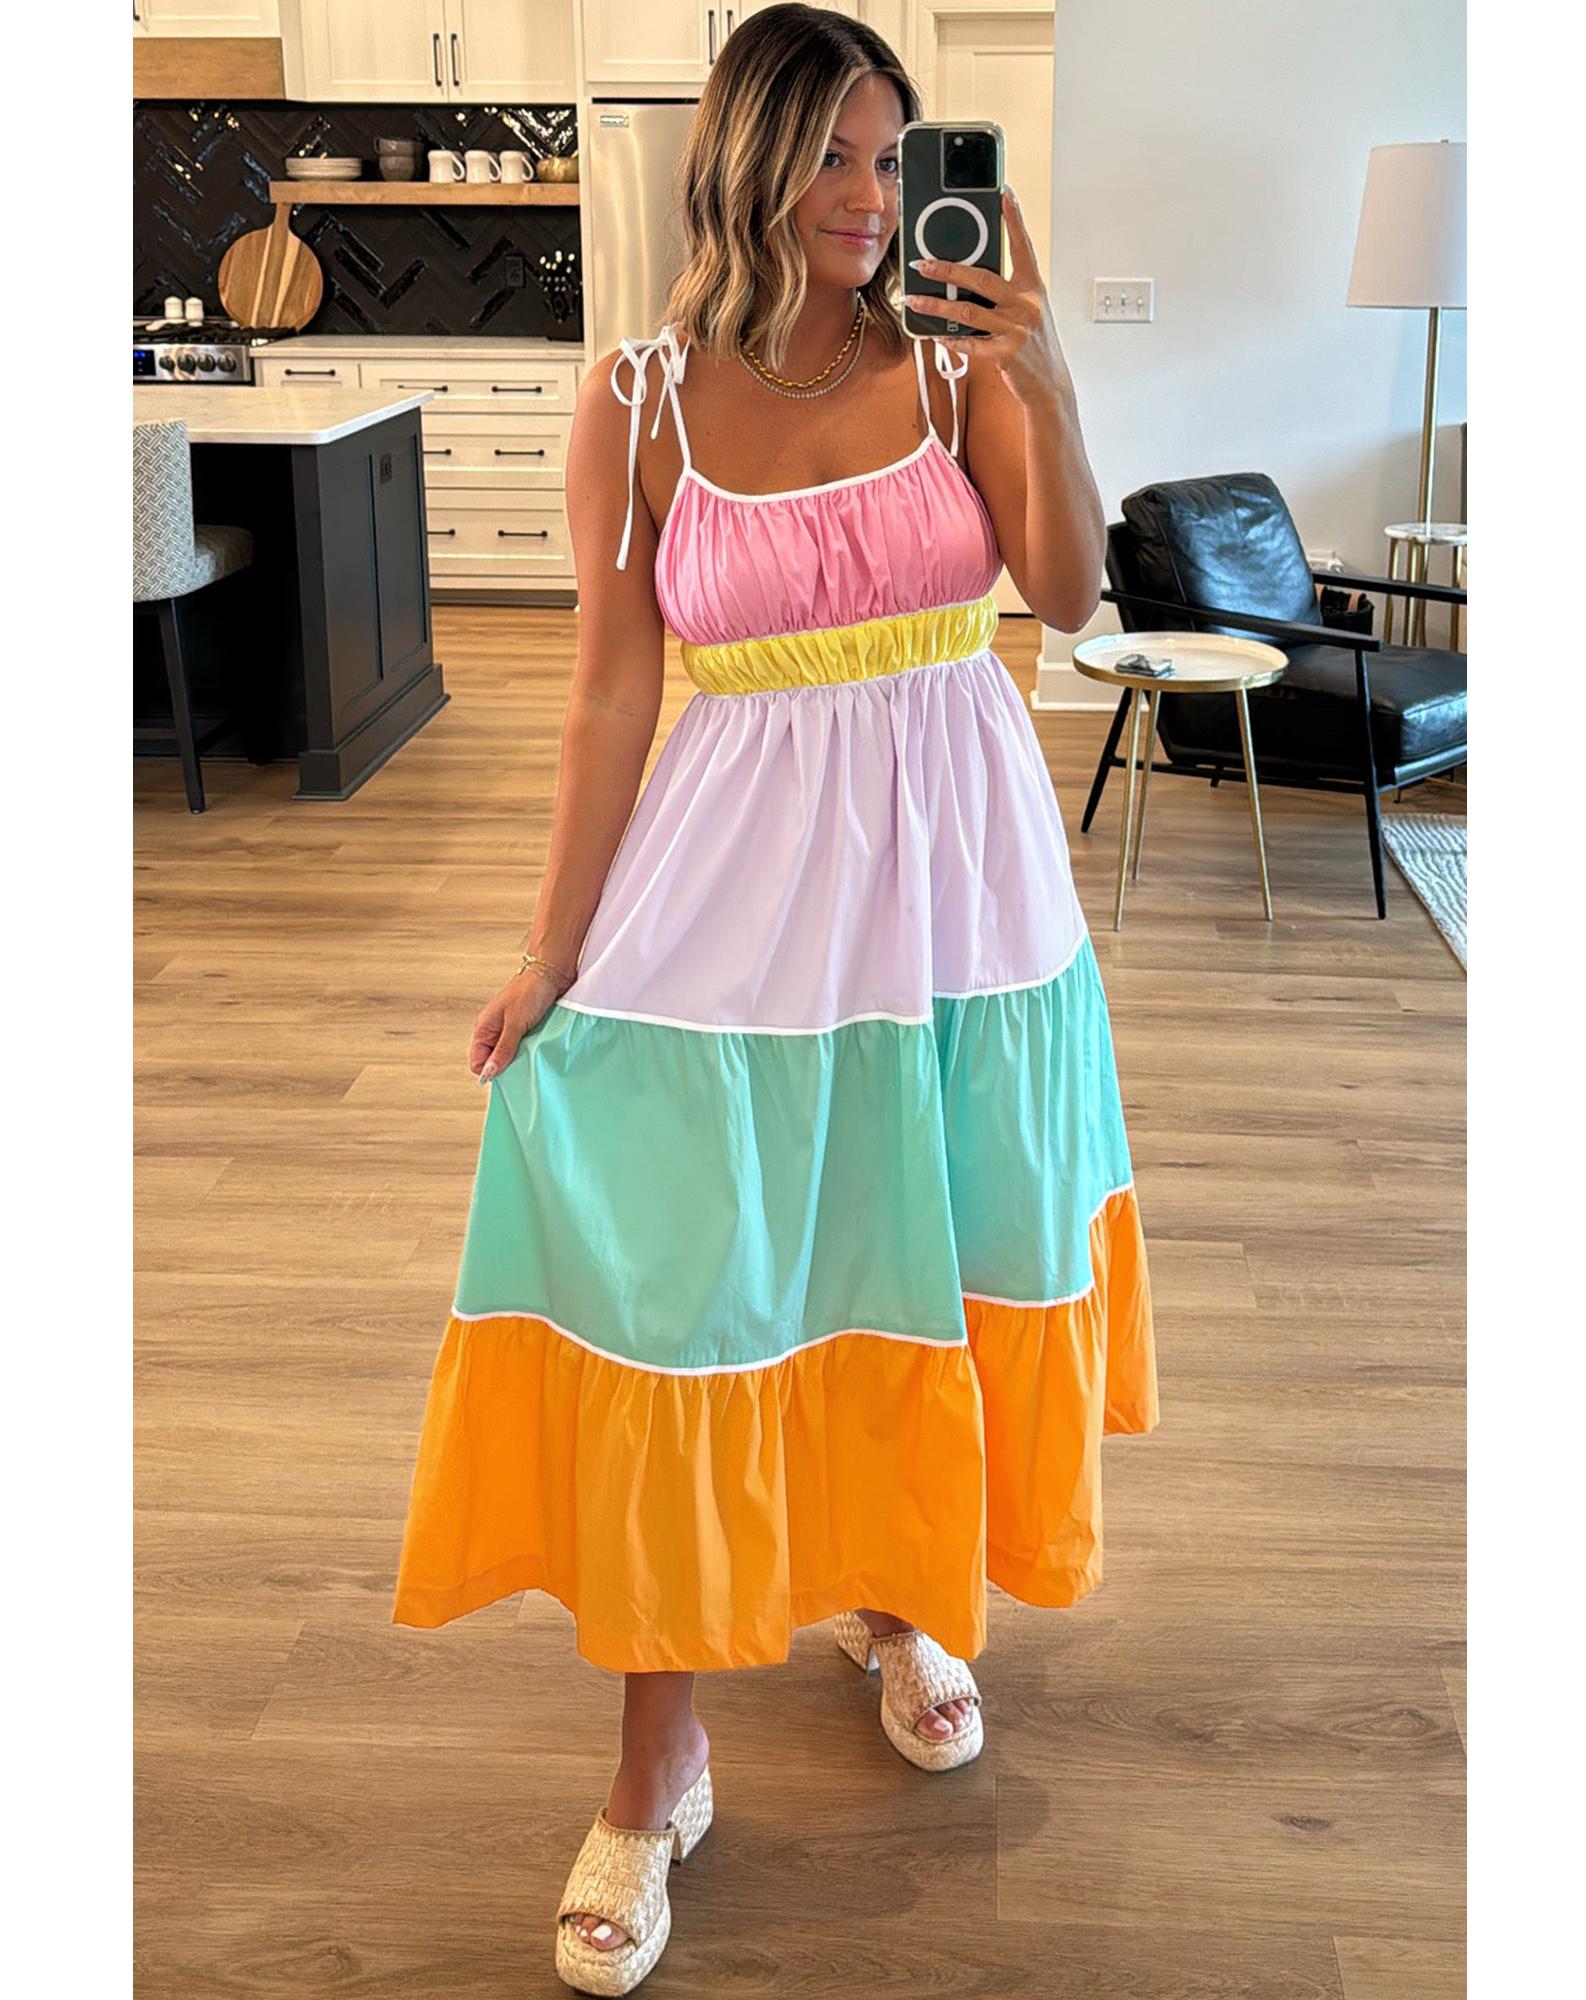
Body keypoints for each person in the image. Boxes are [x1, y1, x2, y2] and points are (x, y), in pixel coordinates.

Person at [390, 6, 1158, 1991]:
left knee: (927, 1252)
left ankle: (903, 1600)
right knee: (687, 1294)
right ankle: (656, 1766)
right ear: (744, 159)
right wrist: (552, 949)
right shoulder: (637, 398)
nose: (869, 198)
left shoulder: (958, 365)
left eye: (894, 159)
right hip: (729, 904)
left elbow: (1067, 596)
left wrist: (1047, 373)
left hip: (957, 908)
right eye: (830, 154)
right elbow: (607, 688)